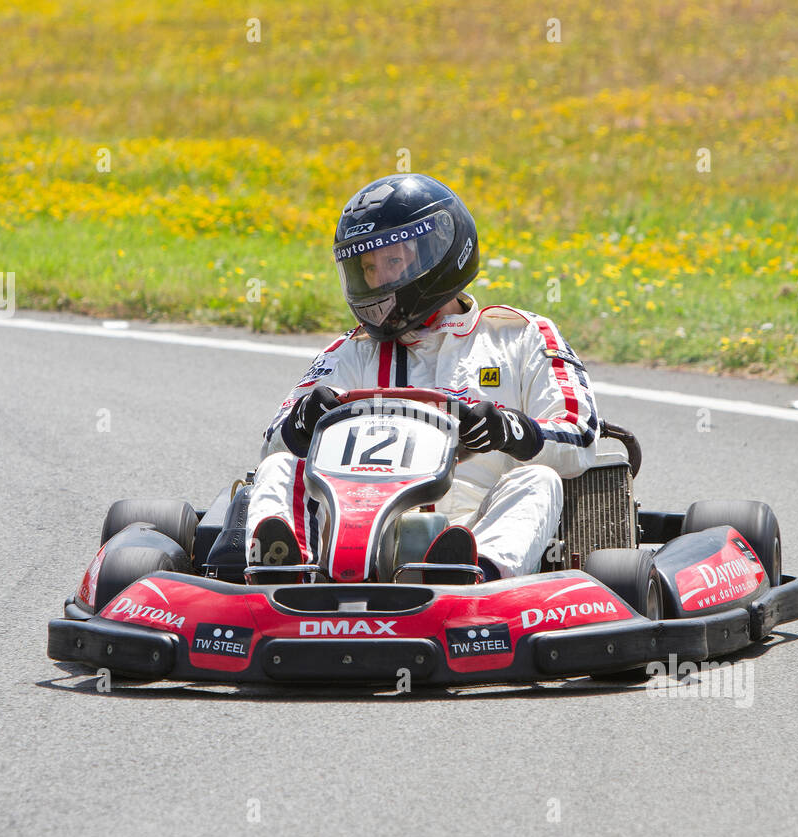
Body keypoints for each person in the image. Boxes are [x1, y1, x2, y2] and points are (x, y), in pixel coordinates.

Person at [247, 173, 598, 581]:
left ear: (440, 251)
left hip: (472, 524)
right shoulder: (352, 350)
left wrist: (509, 430)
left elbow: (581, 437)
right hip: (353, 524)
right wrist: (303, 420)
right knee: (282, 465)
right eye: (368, 268)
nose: (378, 280)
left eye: (393, 261)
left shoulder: (519, 336)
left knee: (538, 479)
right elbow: (272, 441)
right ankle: (286, 574)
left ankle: (471, 575)